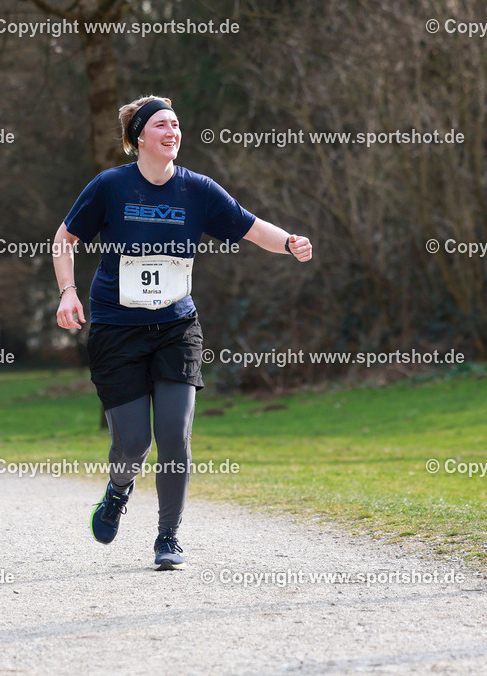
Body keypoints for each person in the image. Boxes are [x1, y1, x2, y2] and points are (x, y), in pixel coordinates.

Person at [53, 96, 312, 570]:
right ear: (138, 139)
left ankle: (168, 538)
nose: (172, 131)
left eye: (176, 124)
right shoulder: (110, 186)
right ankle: (117, 491)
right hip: (116, 328)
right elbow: (64, 239)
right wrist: (68, 291)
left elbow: (251, 228)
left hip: (176, 327)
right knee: (133, 443)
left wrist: (289, 242)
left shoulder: (197, 190)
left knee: (174, 433)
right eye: (160, 125)